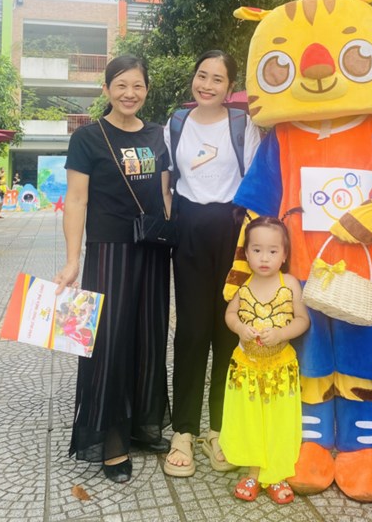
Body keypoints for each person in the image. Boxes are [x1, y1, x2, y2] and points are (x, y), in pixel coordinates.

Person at [53, 55, 172, 483]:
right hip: (109, 251)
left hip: (152, 250)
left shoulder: (158, 135)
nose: (129, 93)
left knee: (149, 337)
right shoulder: (87, 138)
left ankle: (143, 424)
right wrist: (73, 260)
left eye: (137, 86)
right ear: (106, 89)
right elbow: (76, 200)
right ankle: (112, 438)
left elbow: (164, 194)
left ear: (146, 90)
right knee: (110, 341)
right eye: (121, 85)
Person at [163, 50, 261, 477]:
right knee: (190, 330)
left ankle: (219, 429)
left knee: (227, 329)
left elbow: (255, 182)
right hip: (188, 232)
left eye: (217, 79)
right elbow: (167, 181)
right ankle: (183, 431)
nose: (207, 85)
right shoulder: (176, 123)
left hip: (232, 233)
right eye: (202, 75)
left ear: (229, 87)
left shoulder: (243, 124)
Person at [219, 216, 309, 504]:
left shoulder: (290, 284)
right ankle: (253, 472)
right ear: (246, 253)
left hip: (280, 368)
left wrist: (282, 333)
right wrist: (240, 328)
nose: (264, 258)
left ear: (284, 254)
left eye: (273, 251)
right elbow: (230, 314)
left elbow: (303, 320)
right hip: (246, 368)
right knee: (250, 421)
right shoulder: (243, 285)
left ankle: (276, 473)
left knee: (279, 421)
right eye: (257, 250)